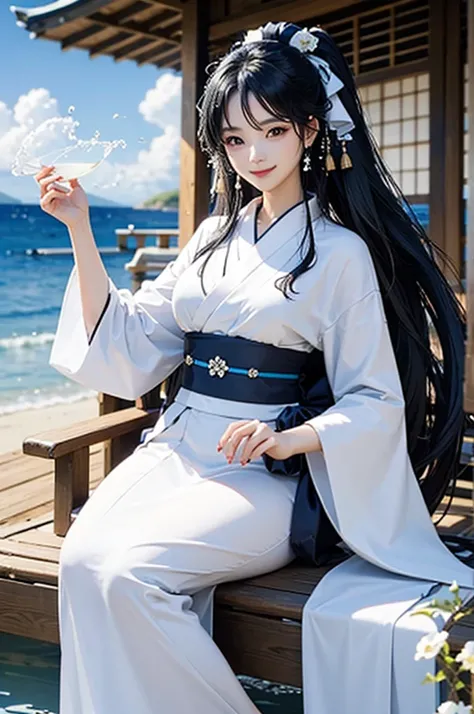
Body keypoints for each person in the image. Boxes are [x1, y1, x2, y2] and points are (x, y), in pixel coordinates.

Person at [37, 21, 474, 714]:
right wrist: (80, 229)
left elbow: (375, 399)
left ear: (309, 128)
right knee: (83, 563)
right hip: (177, 449)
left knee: (129, 574)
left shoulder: (339, 255)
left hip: (263, 472)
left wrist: (291, 438)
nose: (253, 153)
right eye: (236, 139)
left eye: (271, 130)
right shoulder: (213, 237)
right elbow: (131, 341)